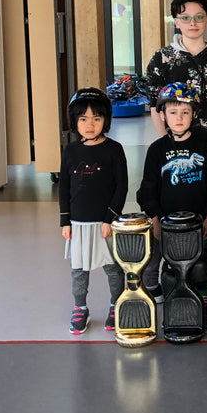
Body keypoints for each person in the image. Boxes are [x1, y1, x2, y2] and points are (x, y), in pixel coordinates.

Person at [135, 83, 207, 316]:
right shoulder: (157, 150)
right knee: (170, 267)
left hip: (200, 220)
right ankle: (171, 294)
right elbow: (147, 189)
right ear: (162, 115)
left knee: (202, 265)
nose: (179, 118)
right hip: (167, 221)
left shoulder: (204, 147)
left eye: (185, 112)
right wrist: (155, 219)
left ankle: (204, 295)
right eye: (172, 112)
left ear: (194, 114)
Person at [59, 88, 128, 335]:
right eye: (83, 119)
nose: (90, 124)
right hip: (78, 223)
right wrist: (65, 221)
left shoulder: (114, 149)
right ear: (74, 121)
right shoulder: (70, 151)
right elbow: (64, 187)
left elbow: (122, 186)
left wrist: (110, 218)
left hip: (104, 223)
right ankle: (80, 308)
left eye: (96, 118)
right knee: (79, 270)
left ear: (106, 120)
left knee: (113, 268)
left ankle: (116, 304)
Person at [145, 0, 207, 137]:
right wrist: (165, 141)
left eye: (199, 17)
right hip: (176, 143)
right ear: (176, 22)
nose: (193, 23)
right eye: (185, 18)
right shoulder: (161, 59)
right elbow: (154, 105)